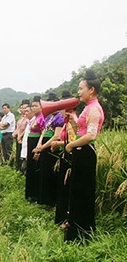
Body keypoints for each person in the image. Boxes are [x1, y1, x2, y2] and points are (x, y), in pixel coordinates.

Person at [64, 69, 105, 241]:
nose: (79, 92)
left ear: (92, 90)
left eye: (81, 88)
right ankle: (75, 229)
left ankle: (83, 232)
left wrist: (72, 144)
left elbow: (91, 135)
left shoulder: (94, 108)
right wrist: (73, 122)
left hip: (86, 153)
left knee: (83, 192)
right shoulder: (88, 108)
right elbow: (82, 130)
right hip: (82, 152)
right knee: (77, 191)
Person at [33, 93, 65, 208]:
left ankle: (50, 202)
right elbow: (43, 131)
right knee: (43, 173)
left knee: (50, 175)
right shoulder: (49, 117)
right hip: (45, 147)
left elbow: (56, 136)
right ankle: (42, 199)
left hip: (52, 149)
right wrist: (39, 144)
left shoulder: (60, 117)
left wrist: (43, 146)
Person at [51, 90, 78, 225]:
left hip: (70, 156)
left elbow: (73, 142)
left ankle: (66, 219)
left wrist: (57, 143)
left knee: (67, 187)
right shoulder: (67, 121)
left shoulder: (72, 120)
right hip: (64, 154)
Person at [25, 96, 45, 203]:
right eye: (32, 106)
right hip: (30, 142)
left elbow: (43, 132)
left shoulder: (42, 118)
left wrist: (38, 145)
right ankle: (30, 194)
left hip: (36, 143)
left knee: (35, 169)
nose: (33, 108)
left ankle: (35, 196)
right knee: (30, 168)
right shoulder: (34, 118)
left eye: (36, 106)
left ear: (41, 106)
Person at [13, 99, 30, 172]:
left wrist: (20, 136)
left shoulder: (28, 118)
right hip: (18, 138)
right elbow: (18, 128)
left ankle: (22, 171)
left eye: (25, 108)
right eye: (22, 108)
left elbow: (27, 129)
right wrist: (15, 133)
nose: (23, 109)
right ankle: (18, 170)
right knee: (18, 154)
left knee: (23, 155)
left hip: (23, 139)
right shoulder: (21, 118)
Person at [20, 105, 34, 176]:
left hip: (29, 149)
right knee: (23, 167)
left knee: (25, 168)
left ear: (32, 112)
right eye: (25, 111)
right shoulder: (29, 121)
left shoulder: (34, 121)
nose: (25, 113)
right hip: (25, 148)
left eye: (27, 111)